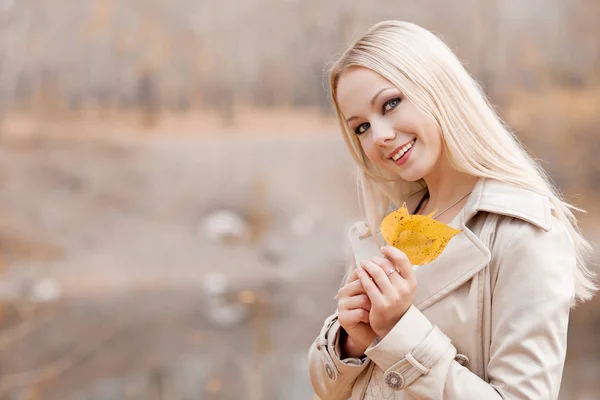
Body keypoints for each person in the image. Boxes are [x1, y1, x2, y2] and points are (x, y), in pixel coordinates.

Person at [308, 20, 596, 400]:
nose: (379, 137)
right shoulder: (386, 230)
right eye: (360, 127)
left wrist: (400, 331)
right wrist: (351, 344)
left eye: (390, 104)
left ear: (438, 90)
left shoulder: (524, 233)